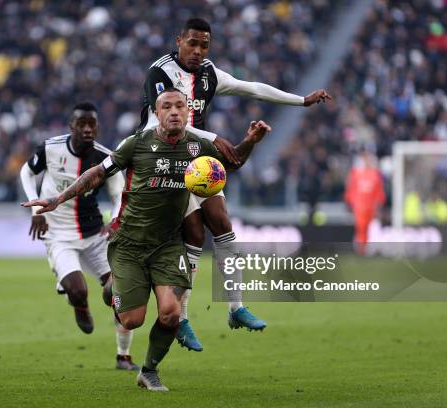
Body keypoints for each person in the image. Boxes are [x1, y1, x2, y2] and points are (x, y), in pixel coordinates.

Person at [22, 88, 272, 391]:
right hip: (129, 244)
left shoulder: (198, 146)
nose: (176, 111)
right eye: (168, 106)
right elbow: (97, 174)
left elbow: (231, 163)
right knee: (131, 320)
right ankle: (113, 289)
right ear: (158, 112)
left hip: (167, 245)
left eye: (181, 105)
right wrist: (58, 198)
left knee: (170, 313)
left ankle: (150, 370)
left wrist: (250, 142)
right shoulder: (137, 144)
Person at [138, 18, 332, 351]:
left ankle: (235, 307)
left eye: (205, 45)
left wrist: (301, 100)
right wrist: (214, 136)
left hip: (198, 163)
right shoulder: (161, 73)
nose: (198, 51)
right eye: (193, 43)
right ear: (179, 40)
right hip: (162, 160)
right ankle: (180, 317)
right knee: (194, 235)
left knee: (224, 227)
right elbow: (156, 123)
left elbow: (253, 87)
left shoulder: (210, 74)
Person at [19, 102, 139, 371]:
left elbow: (119, 193)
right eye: (81, 124)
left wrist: (116, 221)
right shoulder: (51, 148)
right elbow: (26, 171)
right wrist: (36, 207)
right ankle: (80, 305)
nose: (87, 129)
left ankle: (124, 356)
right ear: (72, 126)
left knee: (119, 292)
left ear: (97, 127)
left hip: (95, 234)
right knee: (78, 290)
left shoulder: (104, 157)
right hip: (58, 234)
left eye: (92, 124)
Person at [344, 152, 385, 254]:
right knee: (361, 228)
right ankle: (361, 250)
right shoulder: (356, 173)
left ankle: (366, 249)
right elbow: (351, 189)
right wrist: (350, 202)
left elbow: (379, 191)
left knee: (369, 229)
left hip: (371, 207)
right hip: (359, 207)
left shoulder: (375, 174)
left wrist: (378, 205)